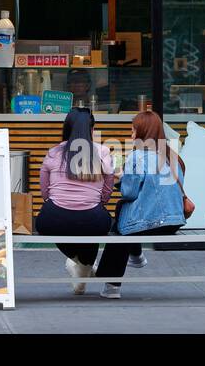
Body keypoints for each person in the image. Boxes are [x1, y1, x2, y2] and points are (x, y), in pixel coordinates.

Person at [93, 110, 188, 299]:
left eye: (133, 131)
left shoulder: (137, 156)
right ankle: (136, 258)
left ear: (142, 132)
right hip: (175, 221)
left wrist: (122, 178)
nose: (131, 135)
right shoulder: (172, 156)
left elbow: (130, 192)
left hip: (152, 223)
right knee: (126, 216)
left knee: (122, 222)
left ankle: (112, 285)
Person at [35, 108, 115, 294]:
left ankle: (80, 264)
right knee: (97, 223)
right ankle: (84, 265)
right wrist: (96, 203)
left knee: (53, 223)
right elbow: (108, 188)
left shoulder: (54, 152)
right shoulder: (102, 151)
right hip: (92, 219)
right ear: (92, 130)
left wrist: (60, 201)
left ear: (66, 128)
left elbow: (45, 192)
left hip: (54, 218)